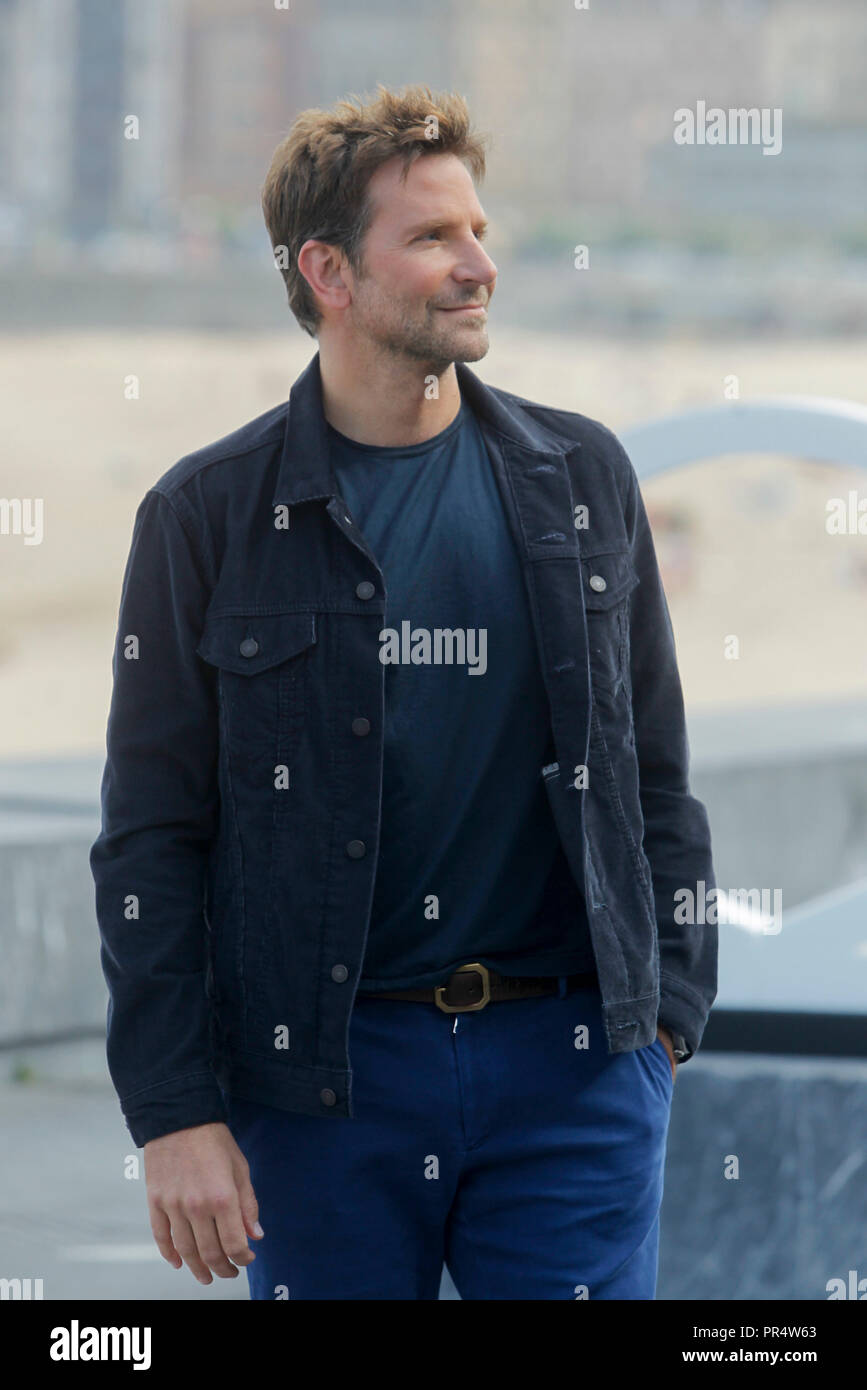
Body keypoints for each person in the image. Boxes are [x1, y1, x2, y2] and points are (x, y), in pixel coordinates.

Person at [90, 82, 717, 1300]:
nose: (477, 264)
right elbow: (150, 841)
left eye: (478, 231)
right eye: (432, 238)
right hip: (322, 1084)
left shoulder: (580, 474)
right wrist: (172, 1113)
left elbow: (654, 773)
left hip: (573, 1067)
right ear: (327, 271)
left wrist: (667, 1019)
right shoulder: (208, 515)